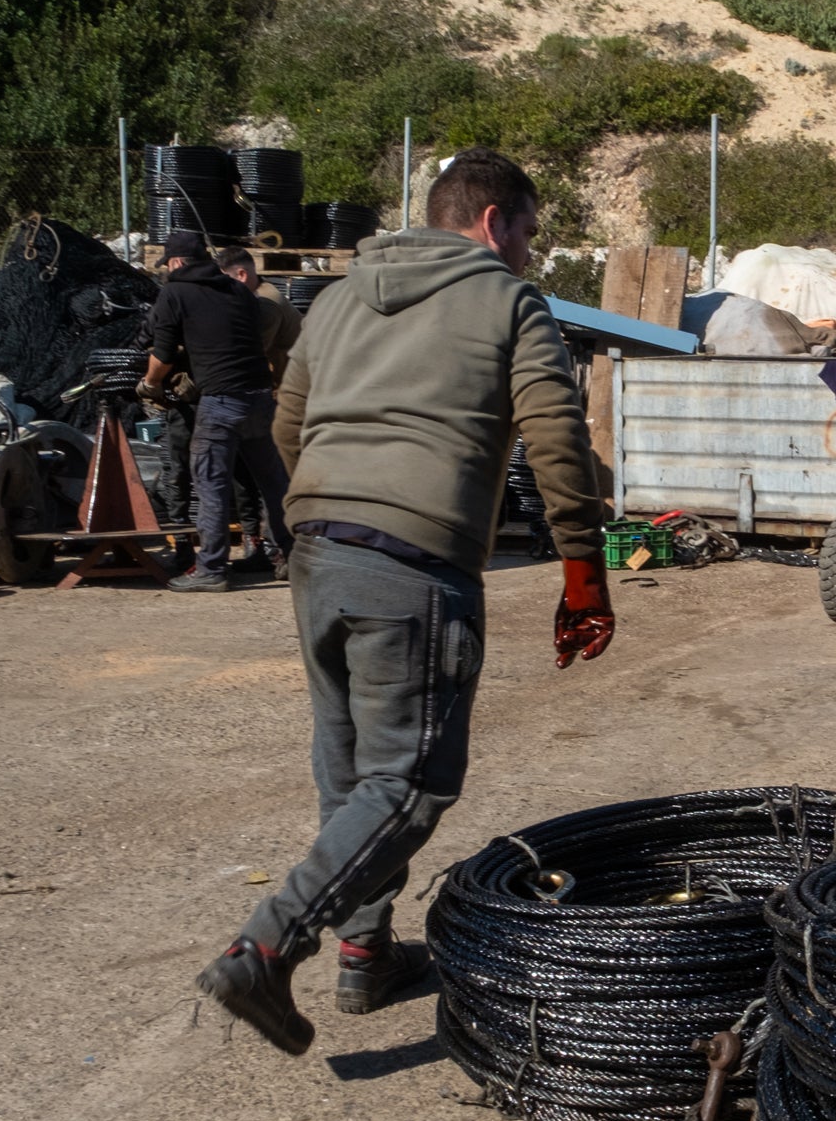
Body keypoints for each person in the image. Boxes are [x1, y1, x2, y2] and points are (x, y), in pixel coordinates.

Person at [195, 148, 616, 1055]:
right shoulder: (508, 301)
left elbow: (285, 422)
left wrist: (314, 509)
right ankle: (266, 946)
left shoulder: (337, 296)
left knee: (350, 773)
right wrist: (583, 570)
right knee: (410, 781)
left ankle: (366, 951)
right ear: (496, 221)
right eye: (531, 236)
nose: (531, 257)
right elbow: (554, 433)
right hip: (414, 561)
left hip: (318, 550)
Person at [144, 228, 291, 591]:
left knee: (210, 482)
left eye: (168, 264)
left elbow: (161, 355)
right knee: (273, 483)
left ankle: (210, 568)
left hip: (221, 400)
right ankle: (294, 556)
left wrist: (150, 385)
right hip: (259, 396)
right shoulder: (239, 290)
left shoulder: (174, 292)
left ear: (176, 262)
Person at [216, 245, 306, 574]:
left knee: (276, 478)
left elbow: (250, 355)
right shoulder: (259, 297)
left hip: (288, 399)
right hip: (274, 396)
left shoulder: (264, 305)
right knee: (255, 476)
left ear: (242, 275)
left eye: (225, 282)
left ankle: (284, 552)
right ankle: (264, 550)